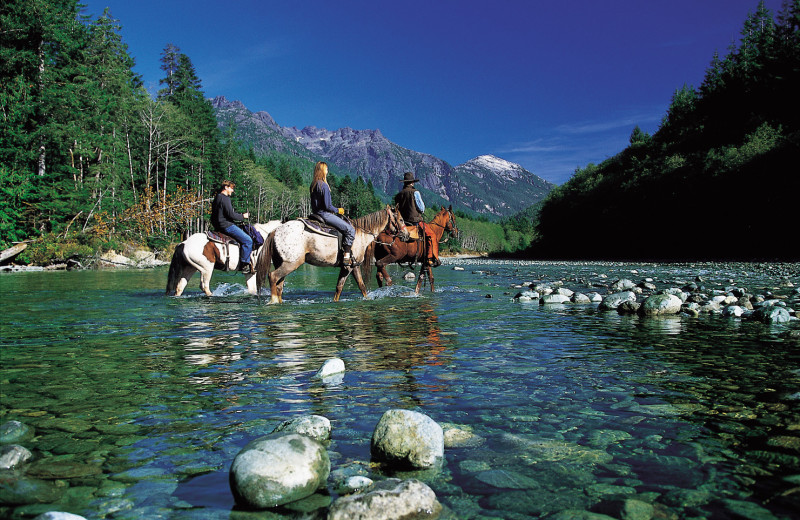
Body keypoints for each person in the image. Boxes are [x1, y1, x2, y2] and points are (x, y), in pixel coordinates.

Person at [309, 161, 356, 266]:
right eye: (326, 169)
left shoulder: (313, 184)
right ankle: (346, 256)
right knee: (350, 230)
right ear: (322, 171)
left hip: (315, 213)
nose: (327, 171)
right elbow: (328, 206)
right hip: (325, 214)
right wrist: (338, 210)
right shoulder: (324, 186)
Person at [211, 180, 253, 274]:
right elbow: (231, 215)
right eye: (231, 188)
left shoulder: (217, 197)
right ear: (226, 187)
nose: (232, 191)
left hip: (218, 226)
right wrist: (243, 216)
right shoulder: (225, 198)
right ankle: (245, 265)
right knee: (248, 240)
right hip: (226, 226)